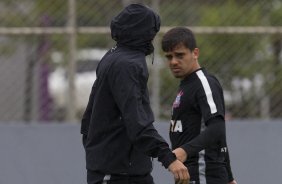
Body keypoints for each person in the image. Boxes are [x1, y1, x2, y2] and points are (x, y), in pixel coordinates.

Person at [80, 4, 190, 184]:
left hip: (127, 169)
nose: (153, 37)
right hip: (116, 172)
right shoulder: (127, 65)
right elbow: (136, 120)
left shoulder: (114, 56)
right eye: (152, 31)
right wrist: (168, 158)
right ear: (143, 32)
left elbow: (89, 118)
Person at [161, 27, 237, 184]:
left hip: (205, 174)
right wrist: (230, 177)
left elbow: (217, 129)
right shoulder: (186, 85)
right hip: (189, 175)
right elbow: (218, 136)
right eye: (169, 57)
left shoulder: (204, 83)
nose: (173, 61)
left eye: (180, 55)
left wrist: (184, 151)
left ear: (195, 53)